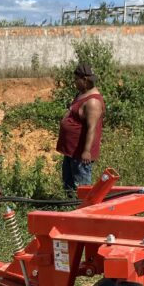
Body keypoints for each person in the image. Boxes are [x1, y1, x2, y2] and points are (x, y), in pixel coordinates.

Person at [56, 62, 105, 192]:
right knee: (69, 185)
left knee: (81, 188)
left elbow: (91, 128)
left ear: (84, 80)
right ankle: (69, 207)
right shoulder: (81, 93)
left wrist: (86, 151)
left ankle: (82, 209)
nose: (75, 82)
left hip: (80, 154)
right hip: (71, 150)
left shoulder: (93, 102)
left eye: (76, 80)